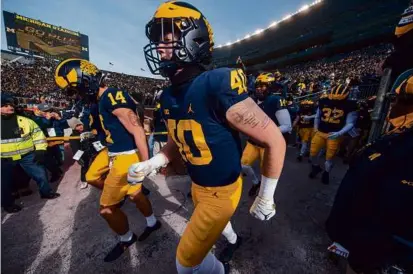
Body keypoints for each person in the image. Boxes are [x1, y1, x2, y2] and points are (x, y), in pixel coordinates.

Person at [129, 2, 286, 273]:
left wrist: (266, 196)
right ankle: (235, 242)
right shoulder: (167, 95)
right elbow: (178, 141)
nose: (158, 48)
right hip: (198, 185)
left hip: (222, 190)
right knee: (220, 228)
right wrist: (154, 162)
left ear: (194, 39)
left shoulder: (218, 82)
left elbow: (275, 140)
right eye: (157, 41)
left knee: (186, 262)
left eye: (166, 39)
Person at [54, 59, 160, 262]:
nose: (77, 95)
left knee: (107, 208)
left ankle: (127, 238)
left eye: (76, 89)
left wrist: (148, 163)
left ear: (86, 80)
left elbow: (137, 128)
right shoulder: (100, 100)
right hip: (112, 150)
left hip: (125, 155)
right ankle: (151, 221)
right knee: (116, 185)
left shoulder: (111, 95)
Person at [325, 70, 413, 273]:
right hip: (361, 235)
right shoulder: (398, 136)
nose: (392, 105)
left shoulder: (405, 147)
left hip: (376, 244)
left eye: (399, 100)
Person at [1, 94, 60, 213]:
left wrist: (40, 150)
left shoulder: (25, 121)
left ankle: (46, 193)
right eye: (5, 105)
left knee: (41, 175)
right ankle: (7, 204)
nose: (10, 107)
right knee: (4, 183)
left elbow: (38, 136)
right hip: (5, 159)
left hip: (28, 156)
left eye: (11, 105)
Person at [241, 72, 292, 197]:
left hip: (267, 143)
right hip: (253, 141)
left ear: (269, 87)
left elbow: (287, 126)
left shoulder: (276, 100)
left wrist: (263, 131)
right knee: (243, 165)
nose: (259, 88)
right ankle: (255, 182)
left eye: (263, 86)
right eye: (258, 85)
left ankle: (264, 194)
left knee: (266, 172)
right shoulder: (251, 100)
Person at [308, 84, 358, 185]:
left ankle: (326, 173)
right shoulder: (324, 101)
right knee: (312, 153)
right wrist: (315, 128)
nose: (334, 101)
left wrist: (339, 133)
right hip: (321, 132)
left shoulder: (350, 105)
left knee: (329, 157)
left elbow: (350, 123)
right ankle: (316, 167)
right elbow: (318, 116)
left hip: (334, 134)